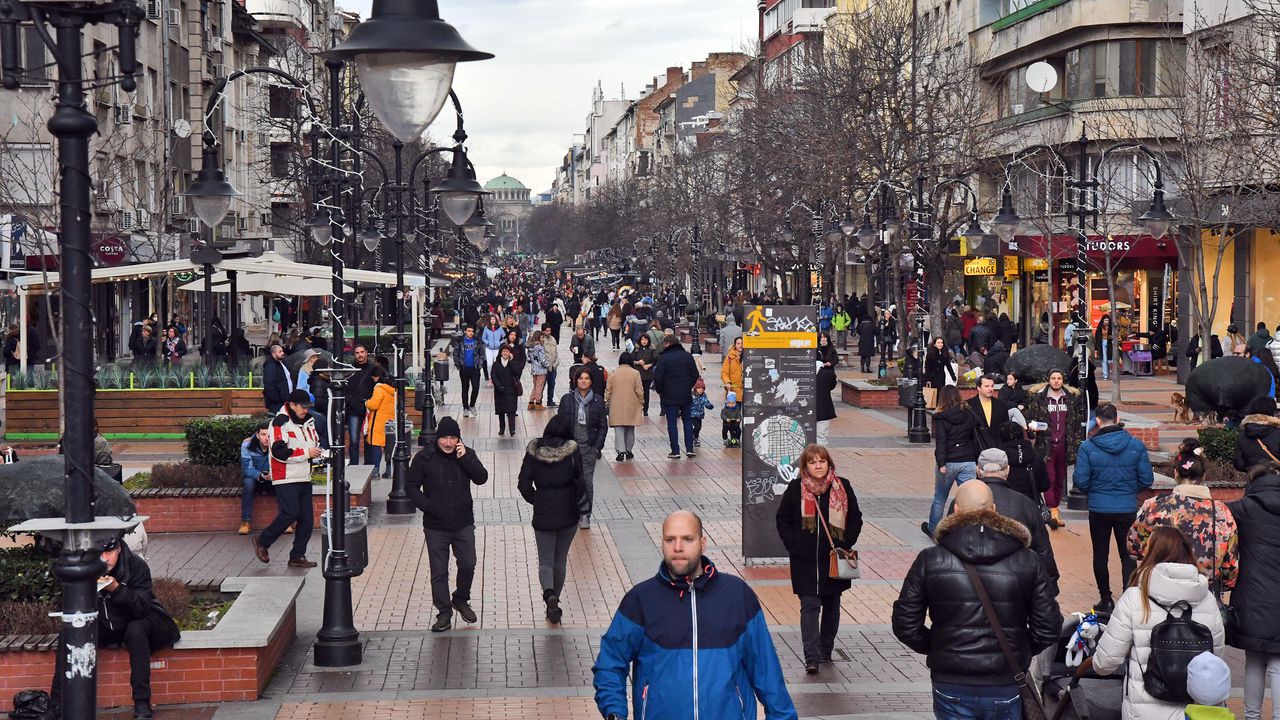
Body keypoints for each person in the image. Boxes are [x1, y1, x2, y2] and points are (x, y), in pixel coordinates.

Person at [592, 510, 798, 720]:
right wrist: (614, 711)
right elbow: (610, 661)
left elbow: (766, 670)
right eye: (670, 539)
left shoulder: (736, 595)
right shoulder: (640, 600)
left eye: (687, 539)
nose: (678, 547)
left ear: (702, 543)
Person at [892, 481, 1061, 719]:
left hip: (951, 679)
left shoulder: (931, 559)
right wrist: (1019, 649)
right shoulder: (1027, 560)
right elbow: (1048, 626)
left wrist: (938, 646)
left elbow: (905, 623)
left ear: (957, 510)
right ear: (993, 509)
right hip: (1005, 679)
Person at [1091, 526, 1227, 720]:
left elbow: (1106, 662)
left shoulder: (1135, 597)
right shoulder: (1208, 600)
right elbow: (1215, 658)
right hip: (1193, 712)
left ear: (1152, 554)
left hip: (1143, 711)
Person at [48, 535, 181, 720]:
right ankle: (56, 704)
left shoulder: (135, 565)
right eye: (99, 553)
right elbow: (64, 604)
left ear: (119, 548)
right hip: (105, 624)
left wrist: (117, 589)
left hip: (136, 620)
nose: (104, 558)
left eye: (109, 552)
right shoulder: (87, 568)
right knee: (67, 635)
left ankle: (142, 702)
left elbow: (141, 608)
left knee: (137, 631)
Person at [776, 445, 864, 673]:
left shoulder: (842, 486)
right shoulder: (797, 488)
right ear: (805, 466)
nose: (818, 466)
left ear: (829, 464)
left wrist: (845, 543)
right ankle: (812, 657)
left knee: (832, 606)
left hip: (833, 559)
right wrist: (793, 545)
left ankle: (826, 649)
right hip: (804, 561)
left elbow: (855, 518)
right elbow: (783, 519)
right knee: (810, 606)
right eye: (813, 462)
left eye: (822, 461)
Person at [405, 416, 489, 632]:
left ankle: (460, 599)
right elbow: (411, 486)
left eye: (453, 438)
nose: (449, 443)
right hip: (435, 526)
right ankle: (444, 612)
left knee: (468, 563)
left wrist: (466, 459)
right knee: (439, 572)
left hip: (463, 522)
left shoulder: (466, 454)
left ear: (459, 439)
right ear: (437, 438)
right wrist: (428, 505)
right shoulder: (425, 457)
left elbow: (481, 478)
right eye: (445, 438)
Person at [1073, 402, 1155, 611]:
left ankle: (1106, 598)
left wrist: (1096, 492)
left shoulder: (1088, 447)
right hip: (1126, 507)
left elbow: (1081, 481)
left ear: (1098, 421)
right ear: (1118, 419)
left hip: (1099, 508)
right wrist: (1129, 492)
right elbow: (1146, 479)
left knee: (1100, 554)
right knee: (1127, 554)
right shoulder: (1136, 445)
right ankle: (1129, 598)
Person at [1128, 438, 1238, 589]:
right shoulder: (1221, 512)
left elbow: (1134, 548)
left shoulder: (1156, 506)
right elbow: (1230, 564)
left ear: (1175, 473)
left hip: (1160, 588)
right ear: (1203, 475)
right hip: (1203, 590)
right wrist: (1225, 584)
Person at [963, 448, 1060, 595]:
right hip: (1013, 585)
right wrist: (1050, 584)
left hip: (970, 584)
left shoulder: (962, 501)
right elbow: (1043, 550)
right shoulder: (1025, 503)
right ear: (1007, 470)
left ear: (978, 470)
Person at [518, 415, 584, 624]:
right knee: (560, 559)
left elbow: (523, 484)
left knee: (545, 560)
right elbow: (580, 479)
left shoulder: (534, 452)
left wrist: (536, 499)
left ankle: (549, 596)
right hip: (568, 510)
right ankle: (555, 598)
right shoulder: (573, 452)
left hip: (544, 510)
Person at [1226, 463, 1280, 720]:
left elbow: (1218, 521)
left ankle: (1251, 716)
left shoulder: (1243, 509)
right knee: (1279, 664)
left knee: (1255, 660)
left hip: (1251, 595)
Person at [251, 389, 321, 569]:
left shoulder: (308, 422)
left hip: (304, 475)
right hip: (285, 476)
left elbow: (313, 445)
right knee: (290, 513)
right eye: (302, 407)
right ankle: (262, 541)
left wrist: (320, 455)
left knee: (307, 519)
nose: (306, 410)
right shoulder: (279, 423)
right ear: (292, 405)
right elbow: (279, 452)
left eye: (307, 407)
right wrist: (307, 453)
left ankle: (297, 555)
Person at [1024, 368, 1085, 529]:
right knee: (1049, 477)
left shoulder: (1071, 398)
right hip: (1046, 445)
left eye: (1059, 378)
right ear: (1048, 380)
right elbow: (1030, 418)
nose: (1056, 381)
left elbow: (1077, 422)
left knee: (1060, 479)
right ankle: (1052, 511)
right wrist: (1032, 427)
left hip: (1065, 445)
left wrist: (1076, 443)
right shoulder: (1039, 398)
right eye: (1053, 378)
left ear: (1062, 380)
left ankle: (1055, 508)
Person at [557, 368, 607, 528]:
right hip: (570, 449)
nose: (583, 381)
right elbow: (560, 423)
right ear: (575, 381)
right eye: (580, 378)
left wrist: (597, 448)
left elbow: (602, 426)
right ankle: (572, 513)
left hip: (588, 449)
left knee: (586, 483)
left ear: (591, 381)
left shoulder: (598, 401)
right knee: (569, 482)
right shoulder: (567, 400)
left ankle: (585, 514)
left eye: (586, 378)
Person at [926, 385, 978, 536]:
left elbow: (941, 442)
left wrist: (941, 463)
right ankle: (971, 529)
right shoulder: (968, 413)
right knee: (970, 497)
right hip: (968, 460)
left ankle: (934, 529)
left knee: (940, 498)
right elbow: (973, 436)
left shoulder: (942, 417)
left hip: (949, 461)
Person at [653, 335, 701, 459]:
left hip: (669, 394)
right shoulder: (687, 356)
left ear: (667, 344)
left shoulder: (664, 358)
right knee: (687, 421)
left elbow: (658, 377)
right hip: (685, 394)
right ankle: (689, 449)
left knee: (672, 423)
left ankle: (675, 451)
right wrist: (688, 386)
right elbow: (695, 374)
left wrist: (660, 390)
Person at [604, 351, 643, 461]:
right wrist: (641, 402)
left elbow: (608, 390)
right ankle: (629, 450)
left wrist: (607, 401)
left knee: (619, 429)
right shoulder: (635, 373)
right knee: (630, 428)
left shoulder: (613, 373)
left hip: (616, 405)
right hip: (632, 404)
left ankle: (620, 451)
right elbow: (639, 391)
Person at [997, 420, 1048, 504]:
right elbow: (1045, 485)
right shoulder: (1035, 457)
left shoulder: (998, 458)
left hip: (1005, 505)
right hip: (1030, 505)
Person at [238, 422, 271, 535]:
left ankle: (287, 521)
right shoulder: (247, 445)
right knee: (248, 483)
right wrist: (261, 475)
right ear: (257, 435)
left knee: (284, 483)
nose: (266, 438)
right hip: (256, 479)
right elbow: (247, 469)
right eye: (263, 434)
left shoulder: (277, 443)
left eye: (269, 435)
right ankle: (245, 522)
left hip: (273, 478)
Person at [966, 374, 1013, 452]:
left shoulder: (1001, 405)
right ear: (978, 388)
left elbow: (1005, 429)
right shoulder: (969, 405)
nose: (990, 389)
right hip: (977, 450)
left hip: (998, 450)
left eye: (992, 386)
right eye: (987, 386)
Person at [363, 365, 396, 476]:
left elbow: (374, 405)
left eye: (373, 378)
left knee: (376, 445)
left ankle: (376, 471)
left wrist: (367, 402)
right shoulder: (393, 389)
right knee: (389, 446)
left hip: (378, 422)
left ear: (377, 377)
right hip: (390, 421)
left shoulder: (379, 388)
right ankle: (389, 470)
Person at [345, 344, 374, 464]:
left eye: (362, 352)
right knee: (354, 440)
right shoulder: (350, 370)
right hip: (354, 409)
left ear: (366, 352)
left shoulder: (373, 369)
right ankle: (354, 465)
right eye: (357, 353)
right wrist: (351, 402)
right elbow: (346, 389)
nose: (360, 355)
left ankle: (369, 465)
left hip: (369, 408)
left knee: (369, 440)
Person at [453, 325, 483, 417]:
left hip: (475, 369)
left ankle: (472, 405)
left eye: (472, 331)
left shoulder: (477, 341)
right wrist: (459, 365)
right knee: (465, 388)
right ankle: (465, 407)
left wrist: (479, 364)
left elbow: (482, 353)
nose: (471, 333)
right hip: (464, 369)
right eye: (469, 331)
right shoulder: (460, 341)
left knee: (476, 387)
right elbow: (456, 353)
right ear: (465, 331)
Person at [491, 344, 520, 437]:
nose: (505, 353)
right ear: (500, 352)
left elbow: (517, 372)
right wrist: (499, 386)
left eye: (507, 351)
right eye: (503, 351)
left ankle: (512, 429)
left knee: (511, 410)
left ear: (510, 353)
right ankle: (502, 429)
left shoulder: (513, 363)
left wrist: (511, 362)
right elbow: (493, 376)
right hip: (500, 391)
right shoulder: (496, 364)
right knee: (501, 411)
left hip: (511, 390)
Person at [261, 343, 293, 413]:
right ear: (274, 354)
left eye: (282, 351)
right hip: (278, 403)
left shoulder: (280, 363)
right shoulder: (270, 365)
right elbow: (269, 384)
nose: (283, 353)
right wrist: (276, 400)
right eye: (280, 352)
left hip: (284, 400)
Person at [633, 332, 659, 414]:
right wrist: (638, 362)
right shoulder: (636, 349)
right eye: (642, 340)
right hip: (638, 374)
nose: (644, 341)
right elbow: (631, 360)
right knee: (637, 392)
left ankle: (645, 409)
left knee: (646, 392)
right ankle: (637, 407)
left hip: (648, 374)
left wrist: (649, 365)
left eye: (646, 340)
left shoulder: (651, 349)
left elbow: (655, 360)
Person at [527, 329, 550, 410]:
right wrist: (548, 365)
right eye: (542, 337)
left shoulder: (530, 347)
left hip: (534, 369)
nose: (543, 339)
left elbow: (528, 359)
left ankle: (531, 402)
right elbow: (543, 359)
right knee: (539, 387)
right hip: (541, 370)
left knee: (535, 386)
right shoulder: (540, 347)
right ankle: (538, 403)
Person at [816, 362, 837, 447]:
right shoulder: (828, 374)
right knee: (821, 436)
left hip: (805, 409)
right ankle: (820, 457)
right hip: (824, 409)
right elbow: (831, 386)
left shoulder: (801, 373)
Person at [689, 378, 714, 448]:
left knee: (699, 427)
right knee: (697, 427)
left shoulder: (703, 395)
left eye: (702, 388)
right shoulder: (691, 395)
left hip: (700, 414)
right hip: (692, 414)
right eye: (699, 388)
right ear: (695, 388)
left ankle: (695, 438)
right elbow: (687, 403)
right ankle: (692, 437)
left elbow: (706, 401)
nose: (701, 390)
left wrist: (709, 405)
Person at [540, 326, 560, 408]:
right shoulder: (541, 340)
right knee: (542, 385)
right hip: (544, 368)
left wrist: (556, 363)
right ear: (543, 331)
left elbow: (556, 352)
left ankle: (550, 400)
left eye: (549, 330)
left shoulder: (553, 339)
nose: (548, 332)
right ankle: (539, 401)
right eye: (547, 331)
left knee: (552, 384)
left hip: (553, 367)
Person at [721, 335, 744, 399]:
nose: (740, 345)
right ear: (735, 345)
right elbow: (724, 372)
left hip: (747, 393)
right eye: (738, 343)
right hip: (733, 392)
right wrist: (727, 382)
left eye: (742, 343)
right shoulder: (730, 357)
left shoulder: (749, 356)